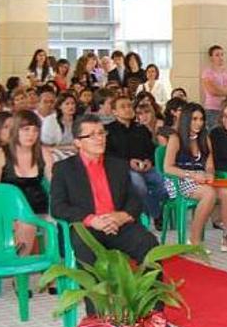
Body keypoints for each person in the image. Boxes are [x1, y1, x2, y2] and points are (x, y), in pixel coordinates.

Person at [51, 115, 159, 308]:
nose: (99, 138)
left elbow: (134, 198)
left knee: (149, 244)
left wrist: (122, 216)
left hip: (118, 223)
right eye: (91, 135)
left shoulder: (117, 164)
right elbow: (58, 207)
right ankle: (97, 316)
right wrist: (92, 220)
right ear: (77, 142)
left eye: (101, 133)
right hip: (87, 227)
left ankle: (151, 311)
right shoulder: (64, 169)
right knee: (87, 253)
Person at [162, 103, 227, 249]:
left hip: (201, 180)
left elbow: (209, 165)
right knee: (209, 194)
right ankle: (194, 240)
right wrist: (192, 175)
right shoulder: (176, 138)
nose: (199, 123)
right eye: (194, 119)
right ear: (186, 120)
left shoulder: (204, 138)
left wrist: (210, 174)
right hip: (180, 179)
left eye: (201, 119)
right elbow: (167, 168)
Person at [0, 111, 52, 256]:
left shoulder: (44, 153)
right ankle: (19, 270)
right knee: (27, 225)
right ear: (15, 131)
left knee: (57, 223)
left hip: (40, 210)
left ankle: (52, 270)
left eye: (35, 130)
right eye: (26, 129)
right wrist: (8, 217)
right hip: (9, 212)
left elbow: (55, 184)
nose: (31, 134)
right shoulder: (0, 153)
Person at [105, 96, 167, 228]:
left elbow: (151, 149)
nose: (128, 109)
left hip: (145, 167)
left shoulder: (141, 129)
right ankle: (152, 215)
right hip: (123, 169)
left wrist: (149, 161)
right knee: (139, 185)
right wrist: (128, 163)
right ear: (114, 111)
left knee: (164, 183)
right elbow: (108, 154)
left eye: (129, 106)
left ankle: (152, 210)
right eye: (123, 107)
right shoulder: (109, 130)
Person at [201, 45, 227, 130]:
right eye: (217, 55)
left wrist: (221, 89)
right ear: (211, 58)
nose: (220, 57)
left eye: (222, 54)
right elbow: (213, 91)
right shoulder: (207, 72)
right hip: (213, 109)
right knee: (214, 133)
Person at [41, 91, 78, 162]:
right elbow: (46, 146)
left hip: (75, 153)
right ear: (59, 106)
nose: (71, 106)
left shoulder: (79, 120)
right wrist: (68, 148)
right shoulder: (50, 120)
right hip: (54, 154)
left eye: (73, 103)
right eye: (67, 104)